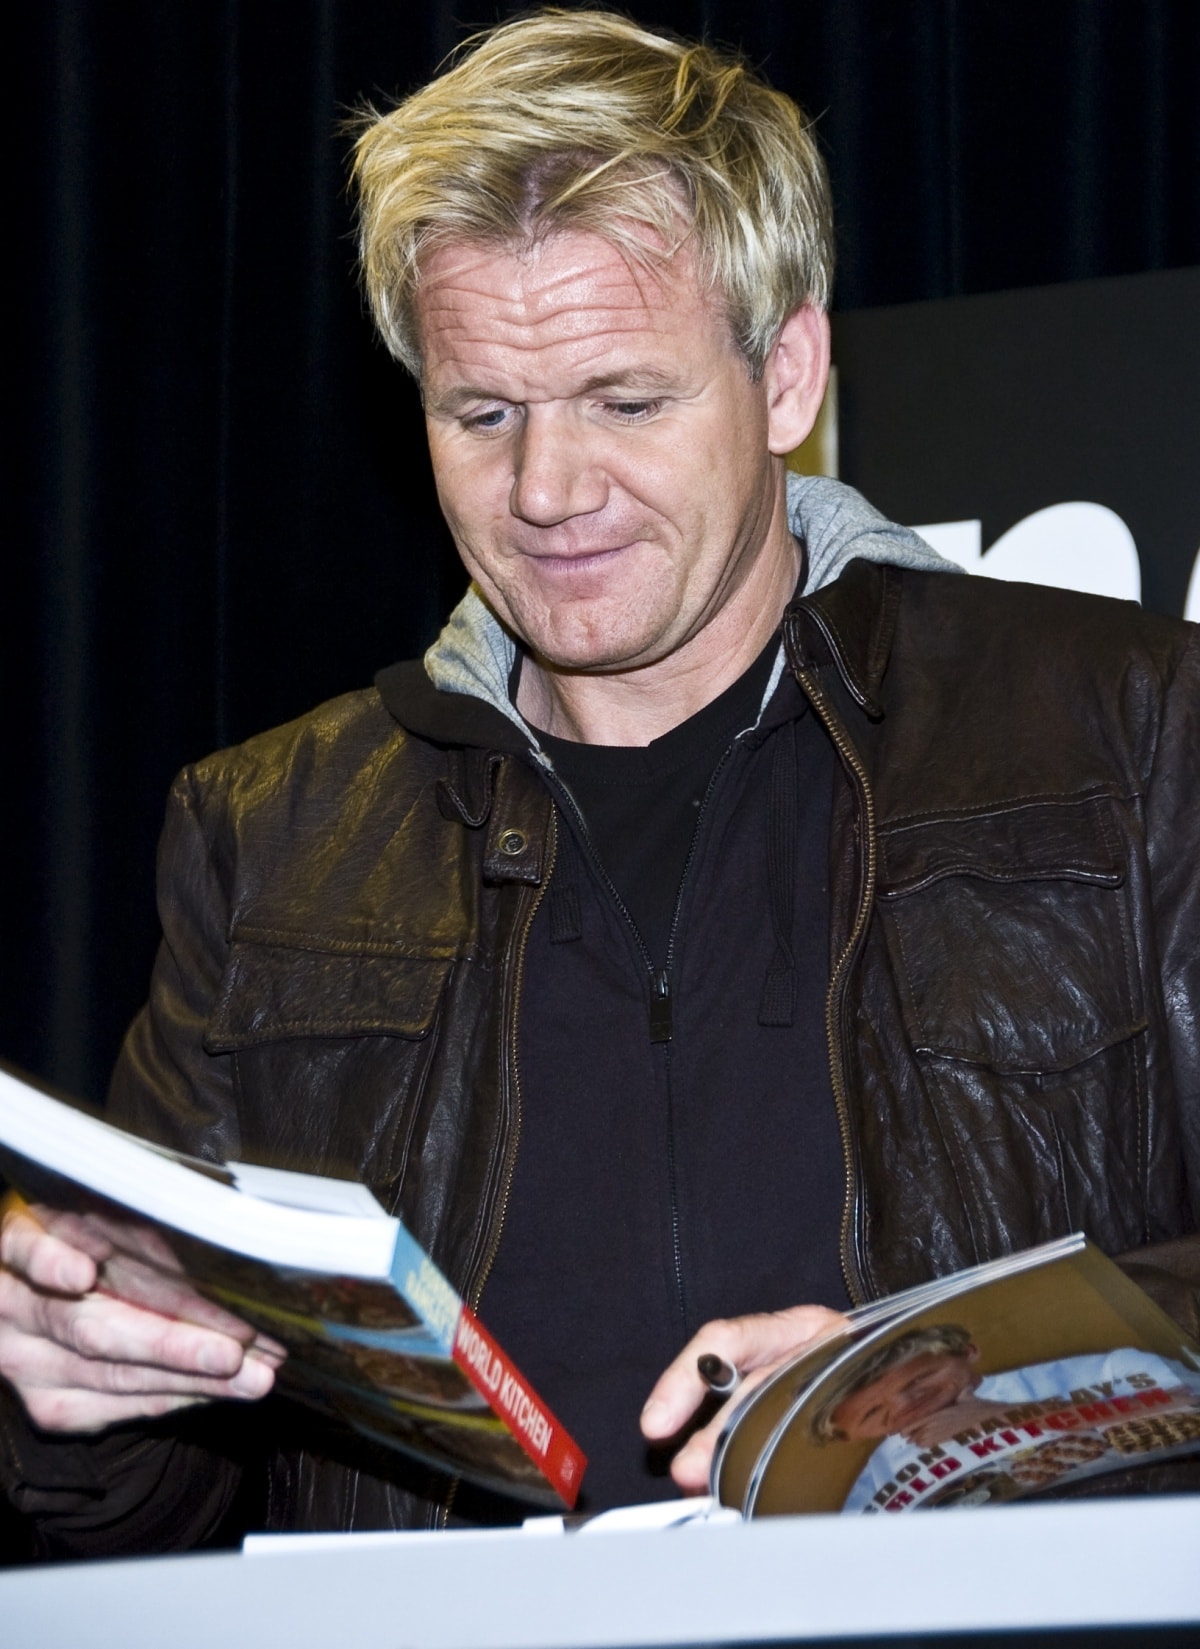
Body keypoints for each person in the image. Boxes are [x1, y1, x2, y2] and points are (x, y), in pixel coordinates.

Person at [1, 9, 1198, 1555]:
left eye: (626, 402)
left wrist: (967, 1376)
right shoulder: (267, 831)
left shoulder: (1131, 728)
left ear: (788, 378)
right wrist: (64, 1388)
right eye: (480, 413)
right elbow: (149, 1500)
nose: (547, 491)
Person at [809, 1324, 1200, 1512]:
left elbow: (1188, 1409)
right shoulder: (878, 1469)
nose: (908, 1405)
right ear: (851, 1436)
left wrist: (995, 1416)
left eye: (922, 1378)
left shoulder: (1107, 1368)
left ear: (968, 1352)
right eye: (876, 1414)